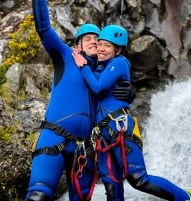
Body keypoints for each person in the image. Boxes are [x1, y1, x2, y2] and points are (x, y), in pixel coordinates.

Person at [72, 24, 191, 201]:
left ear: (118, 50)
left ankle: (188, 198)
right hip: (103, 135)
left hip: (120, 128)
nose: (101, 49)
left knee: (138, 179)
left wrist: (83, 66)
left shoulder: (119, 63)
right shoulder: (99, 68)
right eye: (100, 44)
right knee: (111, 184)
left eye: (107, 46)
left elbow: (98, 88)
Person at [26, 1, 135, 201]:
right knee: (39, 195)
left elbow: (113, 98)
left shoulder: (103, 72)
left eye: (98, 38)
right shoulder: (66, 56)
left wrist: (130, 91)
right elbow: (43, 27)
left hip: (84, 148)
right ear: (77, 45)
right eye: (88, 38)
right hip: (54, 137)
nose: (94, 41)